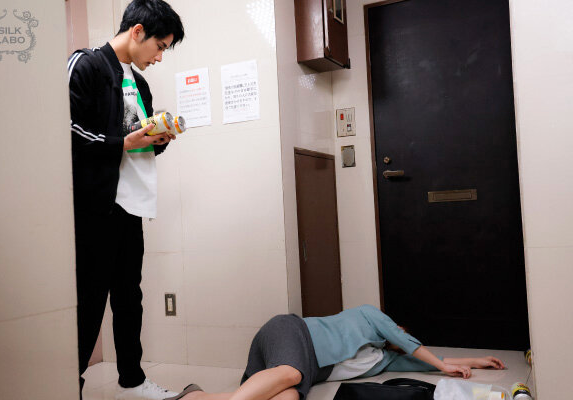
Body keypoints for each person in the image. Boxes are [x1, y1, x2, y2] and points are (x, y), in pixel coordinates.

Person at [68, 1, 184, 399]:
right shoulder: (86, 64)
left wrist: (158, 140)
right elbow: (65, 129)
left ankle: (133, 380)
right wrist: (122, 143)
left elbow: (137, 143)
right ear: (137, 31)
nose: (159, 57)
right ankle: (70, 384)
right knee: (89, 300)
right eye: (160, 46)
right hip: (95, 204)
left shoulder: (141, 84)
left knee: (129, 297)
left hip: (132, 204)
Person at [166, 305, 505, 400]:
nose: (401, 336)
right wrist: (442, 367)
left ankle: (194, 397)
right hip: (291, 332)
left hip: (302, 370)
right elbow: (415, 347)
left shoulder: (383, 359)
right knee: (291, 374)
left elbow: (430, 361)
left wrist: (475, 361)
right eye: (401, 331)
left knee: (287, 396)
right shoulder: (371, 316)